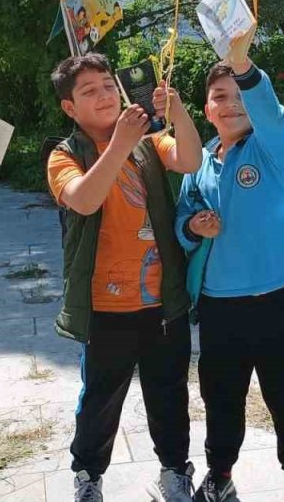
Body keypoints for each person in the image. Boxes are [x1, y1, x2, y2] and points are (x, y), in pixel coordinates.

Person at [46, 53, 204, 502]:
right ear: (70, 108)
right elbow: (84, 199)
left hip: (161, 303)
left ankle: (175, 470)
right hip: (104, 307)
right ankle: (88, 475)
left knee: (169, 394)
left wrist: (176, 111)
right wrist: (117, 143)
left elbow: (190, 159)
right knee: (100, 398)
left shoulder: (151, 143)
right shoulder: (65, 155)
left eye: (106, 85)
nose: (103, 95)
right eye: (88, 91)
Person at [175, 30, 284, 502]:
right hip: (220, 305)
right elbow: (182, 219)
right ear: (207, 110)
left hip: (276, 300)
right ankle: (220, 475)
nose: (231, 103)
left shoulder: (270, 148)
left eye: (239, 96)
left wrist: (242, 64)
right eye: (220, 97)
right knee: (221, 398)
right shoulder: (197, 162)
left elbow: (271, 110)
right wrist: (195, 225)